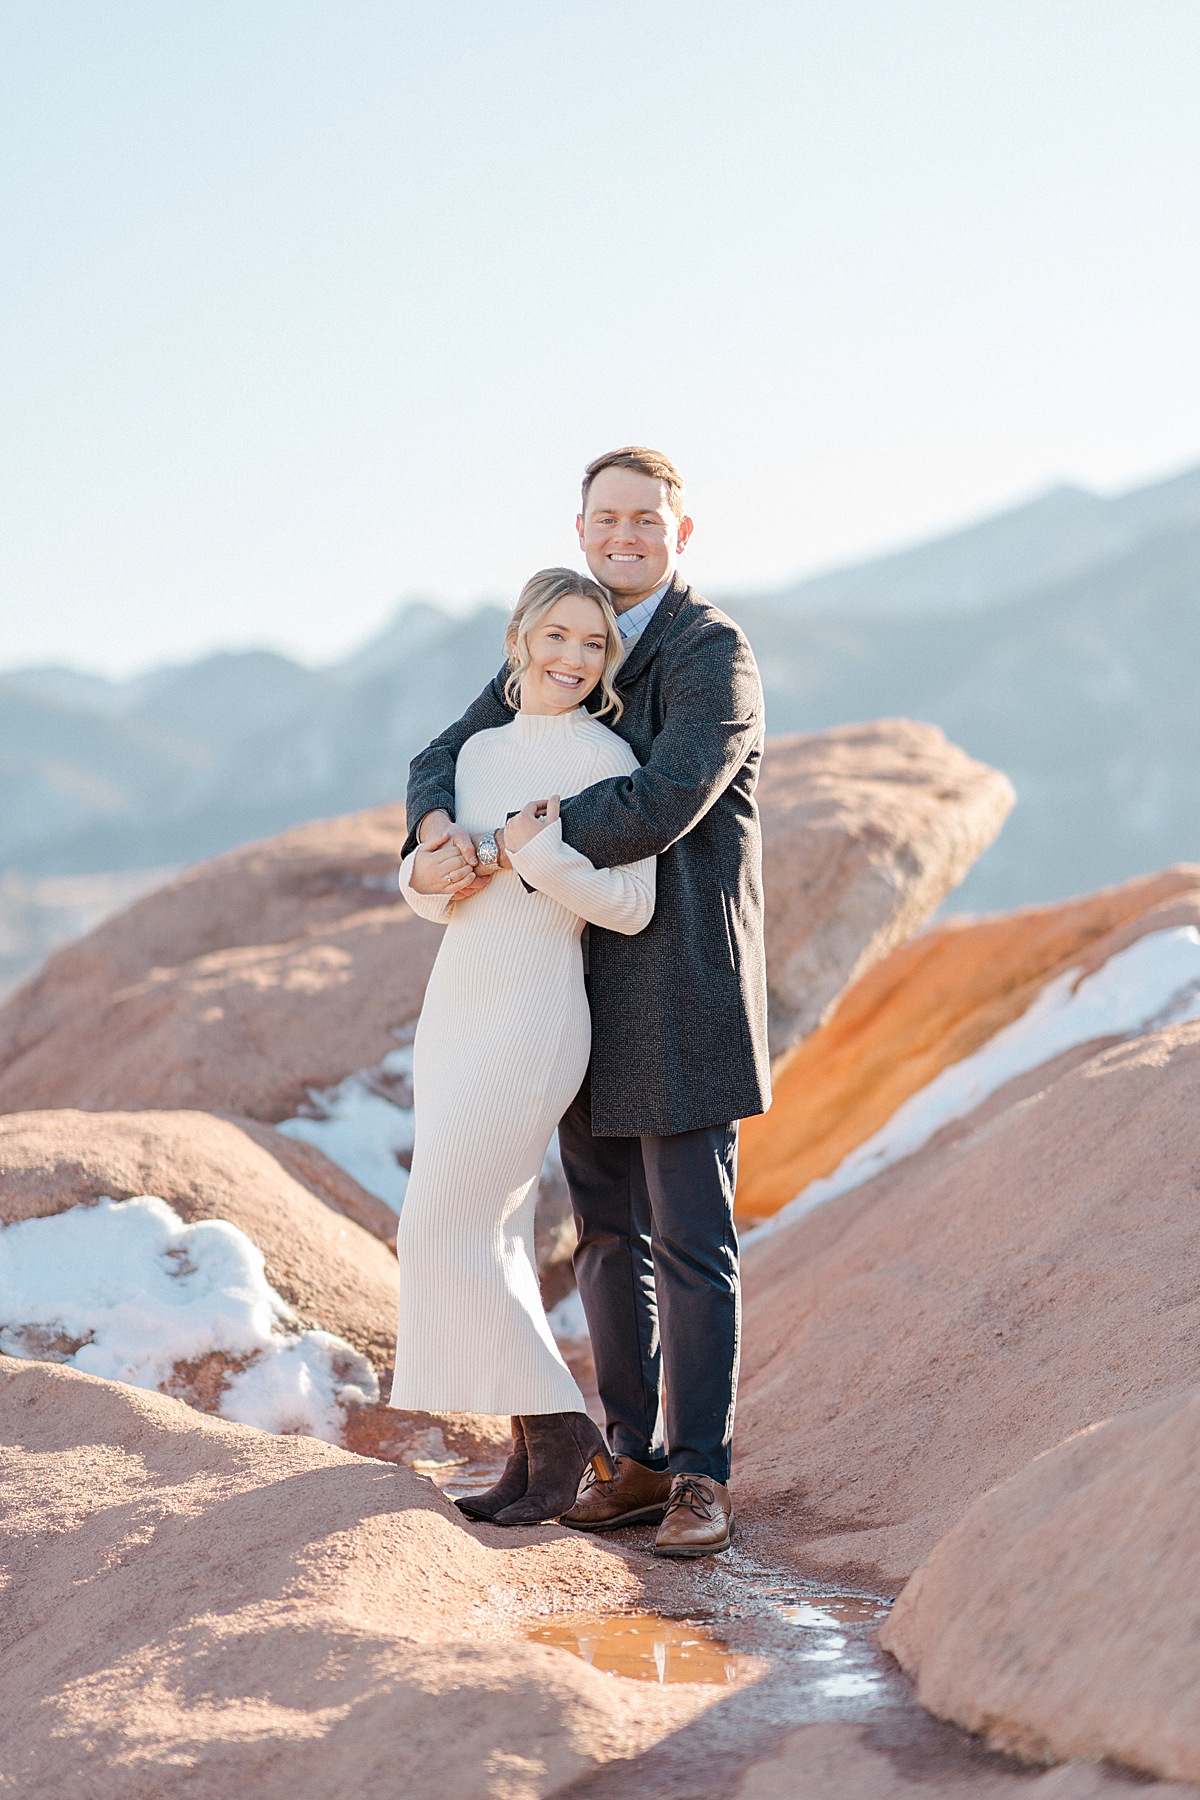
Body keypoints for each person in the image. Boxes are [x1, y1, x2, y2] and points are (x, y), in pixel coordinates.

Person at [404, 447, 770, 1559]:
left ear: (680, 531)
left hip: (682, 981)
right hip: (578, 983)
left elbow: (664, 799)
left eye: (645, 519)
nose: (626, 535)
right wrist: (435, 829)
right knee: (606, 1235)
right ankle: (631, 1460)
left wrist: (527, 839)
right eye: (606, 518)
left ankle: (700, 1476)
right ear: (582, 527)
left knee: (690, 1238)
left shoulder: (715, 654)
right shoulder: (568, 631)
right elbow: (451, 750)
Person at [390, 566, 657, 1525]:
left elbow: (631, 908)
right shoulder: (474, 758)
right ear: (521, 640)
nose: (576, 660)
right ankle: (527, 1456)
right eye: (559, 638)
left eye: (595, 644)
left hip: (539, 1011)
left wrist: (543, 856)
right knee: (484, 1231)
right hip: (456, 1006)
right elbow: (433, 903)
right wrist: (431, 870)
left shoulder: (611, 761)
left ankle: (561, 1431)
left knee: (441, 1224)